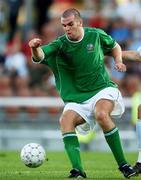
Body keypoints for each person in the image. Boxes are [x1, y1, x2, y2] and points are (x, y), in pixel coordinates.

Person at [28, 8, 137, 179]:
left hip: (102, 89)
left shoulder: (95, 35)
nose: (67, 28)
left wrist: (119, 61)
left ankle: (124, 165)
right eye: (64, 25)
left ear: (80, 22)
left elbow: (115, 46)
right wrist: (34, 48)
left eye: (70, 24)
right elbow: (40, 55)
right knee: (65, 120)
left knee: (101, 114)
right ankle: (77, 170)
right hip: (76, 100)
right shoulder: (60, 45)